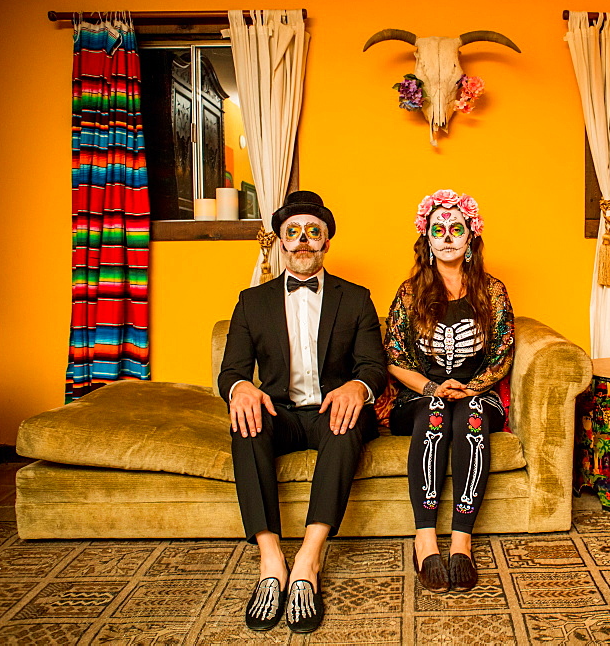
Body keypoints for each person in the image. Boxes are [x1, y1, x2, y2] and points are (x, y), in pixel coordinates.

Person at [218, 190, 387, 633]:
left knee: (345, 421)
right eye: (293, 233)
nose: (303, 241)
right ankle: (271, 561)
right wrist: (240, 390)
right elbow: (232, 370)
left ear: (327, 242)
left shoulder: (356, 299)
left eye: (314, 232)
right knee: (246, 426)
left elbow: (374, 366)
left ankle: (308, 562)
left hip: (334, 409)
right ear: (279, 241)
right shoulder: (251, 302)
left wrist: (358, 386)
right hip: (282, 411)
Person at [384, 189, 514, 593]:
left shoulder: (492, 292)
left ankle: (462, 541)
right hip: (420, 396)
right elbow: (393, 356)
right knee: (436, 413)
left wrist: (469, 387)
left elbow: (503, 351)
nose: (446, 237)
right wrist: (432, 386)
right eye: (437, 229)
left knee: (472, 414)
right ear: (426, 239)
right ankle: (425, 539)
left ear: (471, 237)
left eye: (456, 229)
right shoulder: (409, 294)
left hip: (479, 391)